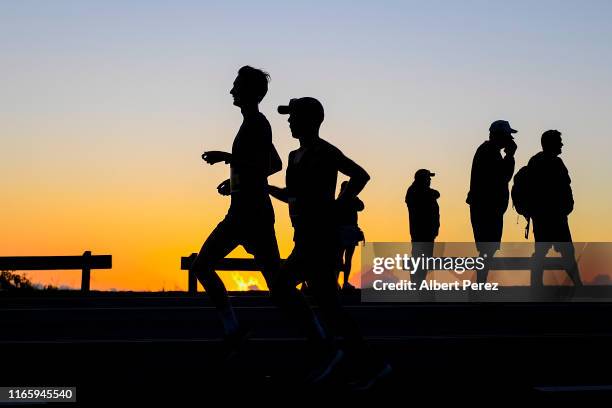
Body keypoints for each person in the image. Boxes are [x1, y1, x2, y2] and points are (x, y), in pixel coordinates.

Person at [190, 67, 328, 367]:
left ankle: (318, 338)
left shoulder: (258, 124)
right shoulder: (253, 124)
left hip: (252, 216)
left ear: (250, 92)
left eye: (236, 86)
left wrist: (227, 159)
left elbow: (258, 165)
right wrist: (235, 180)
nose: (231, 91)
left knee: (276, 287)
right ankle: (236, 330)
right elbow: (274, 163)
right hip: (242, 212)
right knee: (206, 267)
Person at [269, 97, 391, 390]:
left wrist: (340, 205)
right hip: (303, 237)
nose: (288, 121)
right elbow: (293, 195)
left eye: (293, 116)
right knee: (326, 305)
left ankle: (329, 350)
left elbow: (361, 175)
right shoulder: (293, 156)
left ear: (311, 120)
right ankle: (367, 364)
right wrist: (268, 189)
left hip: (322, 239)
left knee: (287, 287)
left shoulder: (326, 152)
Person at [527, 130, 582, 287]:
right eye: (559, 141)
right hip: (551, 218)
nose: (562, 144)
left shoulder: (538, 161)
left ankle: (537, 285)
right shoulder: (552, 163)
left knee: (546, 252)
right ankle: (577, 285)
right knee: (563, 252)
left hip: (549, 217)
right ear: (551, 143)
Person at [467, 120, 517, 283]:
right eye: (508, 135)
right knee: (487, 249)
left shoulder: (489, 151)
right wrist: (510, 156)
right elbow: (503, 177)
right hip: (487, 210)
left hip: (487, 208)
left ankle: (479, 286)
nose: (510, 138)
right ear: (500, 136)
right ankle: (478, 287)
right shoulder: (489, 152)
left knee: (487, 250)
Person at [405, 169, 440, 286]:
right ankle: (417, 282)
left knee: (424, 257)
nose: (430, 180)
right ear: (422, 179)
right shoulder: (416, 191)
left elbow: (435, 194)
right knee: (419, 256)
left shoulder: (420, 191)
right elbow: (436, 194)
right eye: (428, 178)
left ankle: (419, 282)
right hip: (421, 231)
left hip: (427, 231)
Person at [336, 181, 365, 291]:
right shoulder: (350, 200)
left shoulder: (339, 200)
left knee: (340, 258)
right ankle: (344, 282)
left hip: (343, 230)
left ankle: (339, 282)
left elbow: (361, 207)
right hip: (347, 230)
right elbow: (361, 207)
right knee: (346, 258)